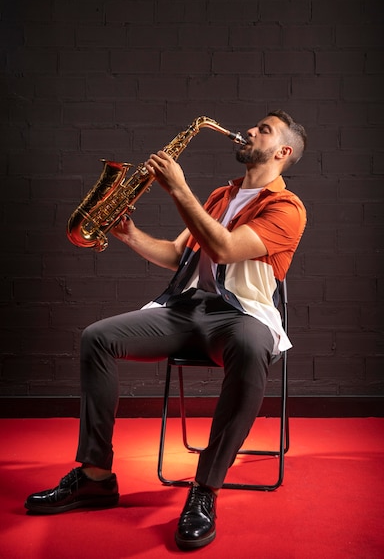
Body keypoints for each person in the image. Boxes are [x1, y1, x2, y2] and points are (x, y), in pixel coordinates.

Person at [25, 110, 307, 551]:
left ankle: (205, 490)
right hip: (188, 309)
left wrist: (177, 186)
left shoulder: (286, 207)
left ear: (283, 151)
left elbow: (226, 248)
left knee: (252, 352)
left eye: (264, 130)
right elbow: (182, 256)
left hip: (241, 318)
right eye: (255, 126)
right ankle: (95, 476)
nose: (251, 130)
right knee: (97, 337)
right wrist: (131, 234)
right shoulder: (221, 195)